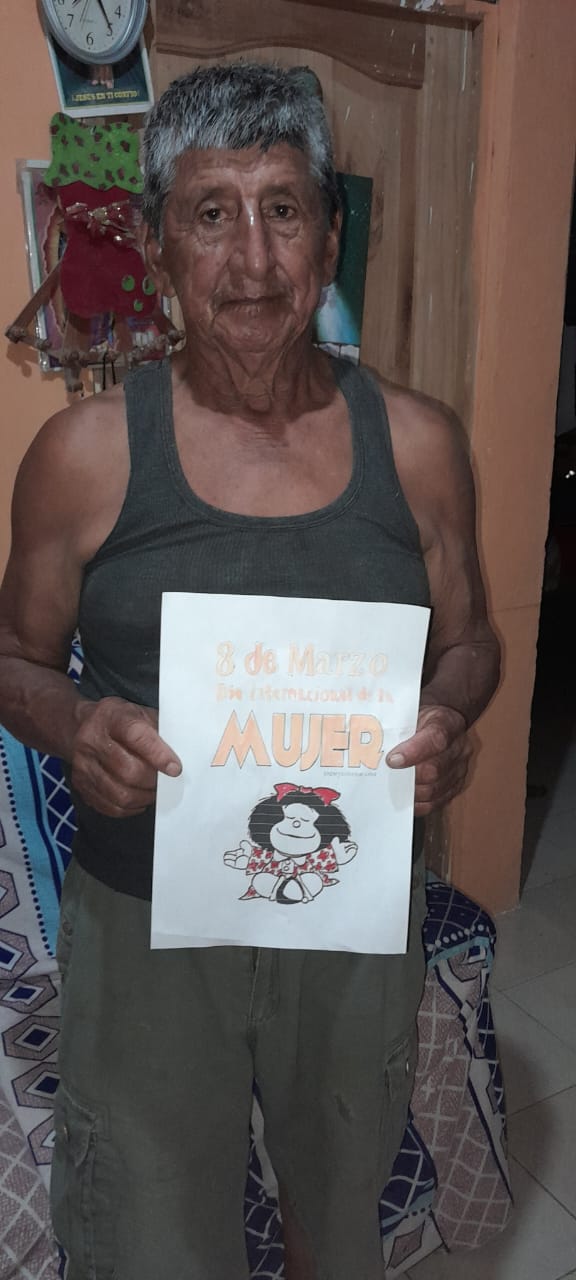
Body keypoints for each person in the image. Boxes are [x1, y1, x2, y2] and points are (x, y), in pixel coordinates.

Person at [0, 62, 500, 1280]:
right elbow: (13, 659)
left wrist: (447, 711)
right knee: (156, 1224)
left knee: (341, 1195)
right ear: (159, 248)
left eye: (283, 209)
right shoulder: (86, 454)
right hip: (150, 911)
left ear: (329, 241)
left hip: (351, 904)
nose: (254, 259)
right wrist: (75, 724)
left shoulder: (419, 444)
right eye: (211, 213)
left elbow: (472, 637)